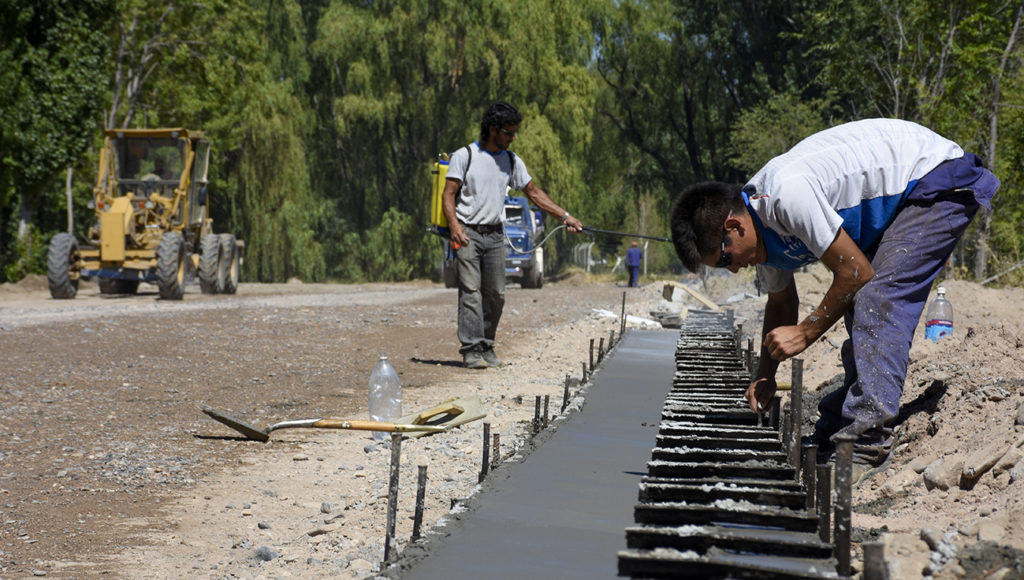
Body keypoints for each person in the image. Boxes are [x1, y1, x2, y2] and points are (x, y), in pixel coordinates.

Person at [668, 118, 999, 478]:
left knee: (876, 298)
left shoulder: (785, 196)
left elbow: (855, 272)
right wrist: (764, 374)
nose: (733, 270)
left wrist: (806, 332)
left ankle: (867, 442)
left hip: (935, 178)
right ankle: (842, 423)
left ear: (734, 226)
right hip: (903, 198)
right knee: (860, 300)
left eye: (726, 258)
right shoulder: (761, 236)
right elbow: (781, 303)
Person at [442, 101, 583, 369]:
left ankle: (486, 344)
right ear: (493, 129)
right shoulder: (465, 156)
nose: (513, 137)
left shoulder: (510, 160)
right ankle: (471, 350)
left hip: (495, 236)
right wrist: (455, 227)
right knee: (471, 292)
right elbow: (448, 195)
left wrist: (565, 217)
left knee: (496, 294)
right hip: (467, 233)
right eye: (508, 132)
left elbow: (534, 193)